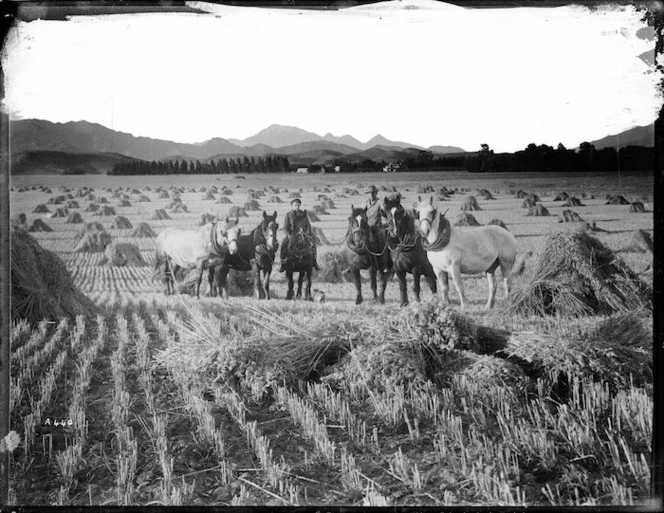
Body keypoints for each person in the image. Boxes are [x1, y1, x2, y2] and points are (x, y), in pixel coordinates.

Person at [280, 198, 320, 271]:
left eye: (298, 205)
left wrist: (307, 233)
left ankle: (314, 261)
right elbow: (285, 227)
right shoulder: (288, 215)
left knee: (313, 243)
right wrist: (288, 234)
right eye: (295, 205)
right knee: (284, 243)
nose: (297, 207)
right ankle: (283, 263)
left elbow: (308, 225)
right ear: (292, 206)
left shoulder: (303, 213)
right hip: (292, 234)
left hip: (303, 234)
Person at [363, 185, 390, 273]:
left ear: (376, 193)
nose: (371, 195)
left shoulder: (380, 202)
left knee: (382, 242)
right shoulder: (365, 203)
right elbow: (361, 212)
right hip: (367, 228)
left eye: (373, 193)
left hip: (377, 227)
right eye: (369, 193)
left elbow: (384, 211)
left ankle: (385, 263)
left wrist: (385, 214)